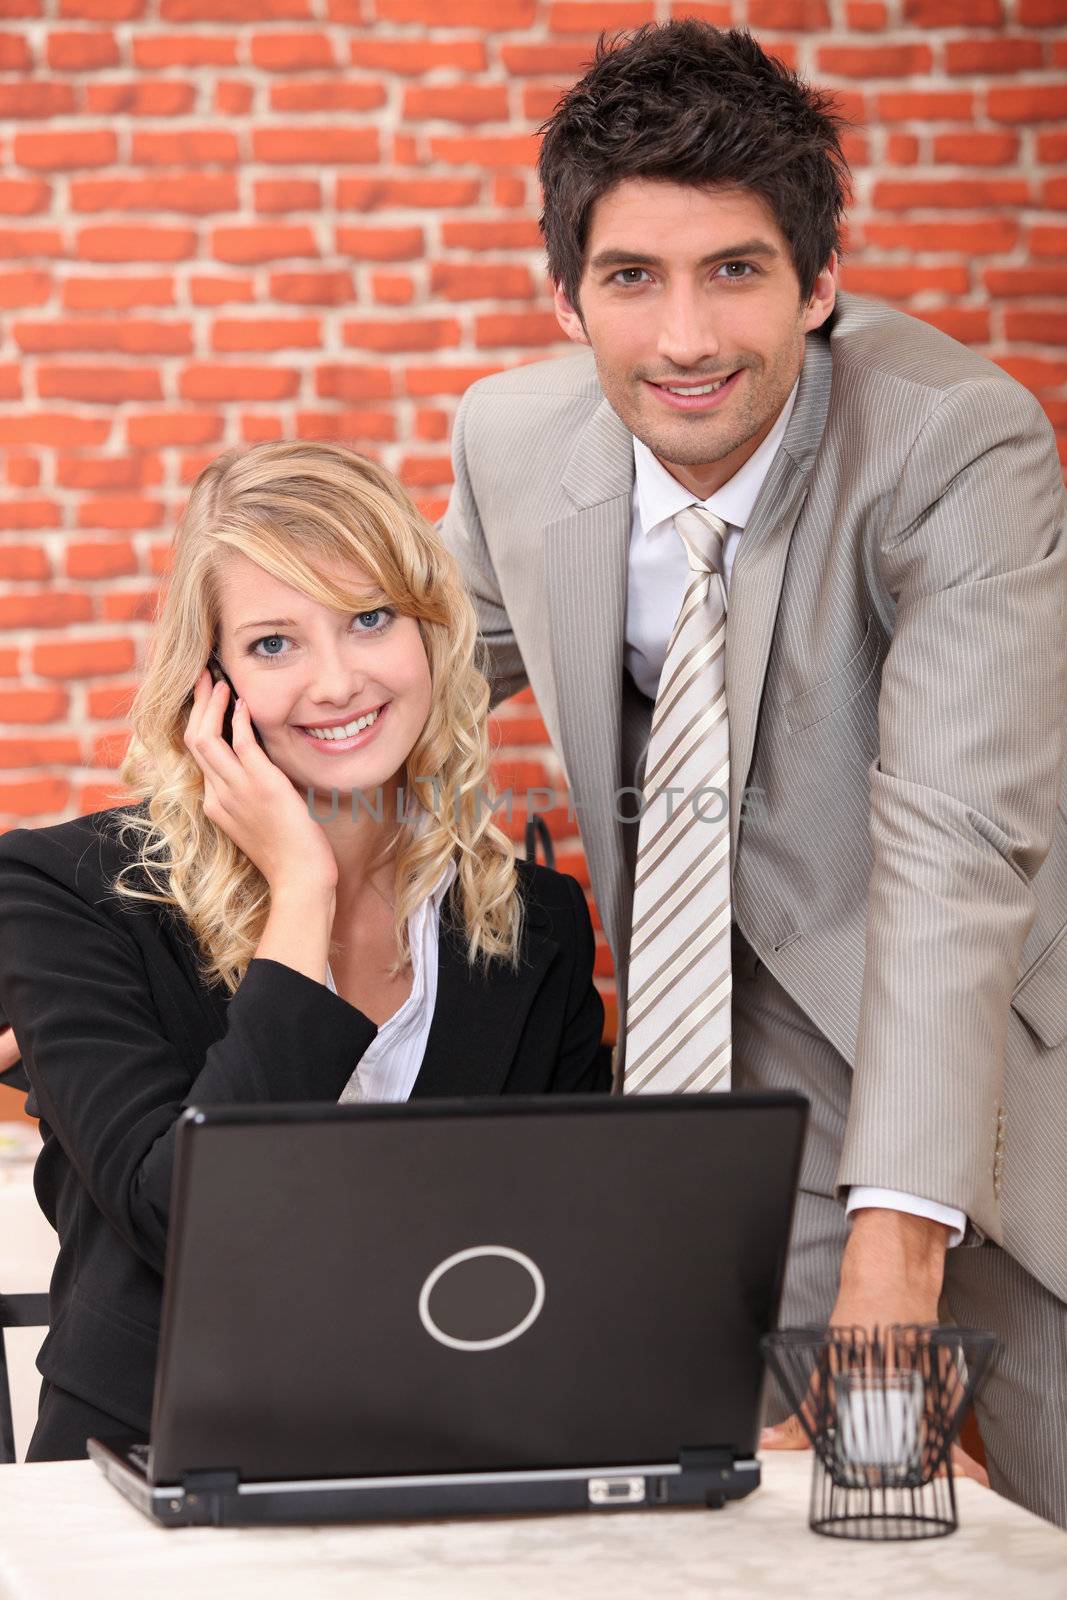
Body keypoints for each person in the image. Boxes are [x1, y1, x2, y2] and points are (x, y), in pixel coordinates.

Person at [439, 21, 1067, 1526]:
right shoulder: (509, 442)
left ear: (819, 281)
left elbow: (951, 845)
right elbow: (381, 713)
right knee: (769, 1518)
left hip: (986, 1045)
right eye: (629, 279)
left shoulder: (952, 444)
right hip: (722, 1068)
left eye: (734, 270)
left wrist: (896, 1246)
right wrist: (63, 925)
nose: (684, 340)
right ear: (566, 296)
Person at [0, 440, 608, 1461]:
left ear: (431, 635)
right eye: (274, 643)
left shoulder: (530, 920)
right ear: (212, 684)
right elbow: (186, 1215)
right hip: (154, 1456)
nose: (335, 682)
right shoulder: (72, 893)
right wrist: (299, 889)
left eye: (370, 619)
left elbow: (577, 1234)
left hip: (456, 1447)